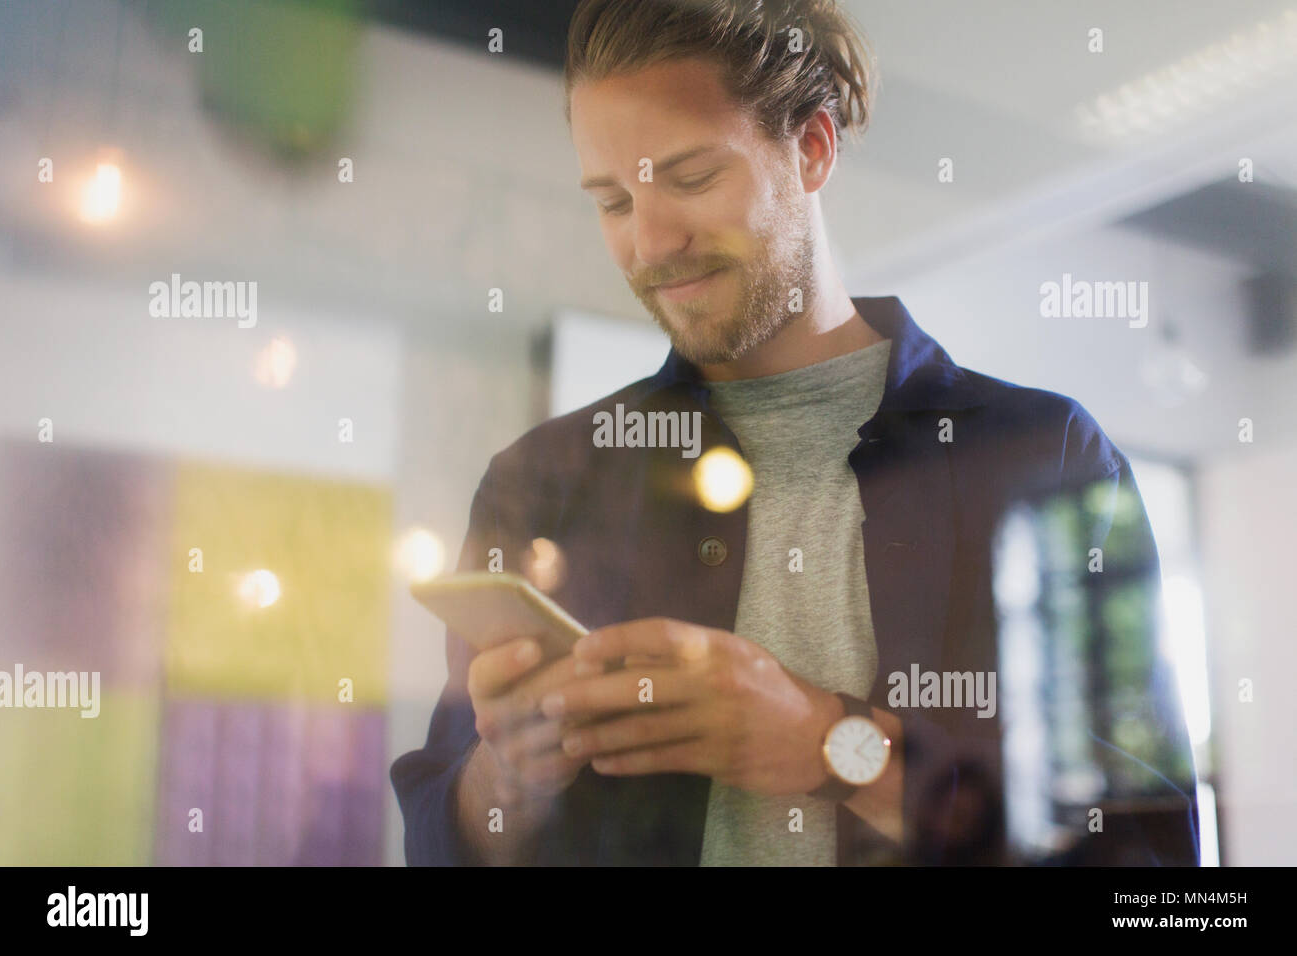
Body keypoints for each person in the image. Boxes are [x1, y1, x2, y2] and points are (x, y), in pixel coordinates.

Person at [392, 0, 1200, 866]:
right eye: (614, 199)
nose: (650, 241)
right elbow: (441, 839)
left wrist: (831, 745)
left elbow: (1150, 873)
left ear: (812, 149)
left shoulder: (1046, 457)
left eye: (693, 178)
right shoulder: (544, 479)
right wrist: (507, 777)